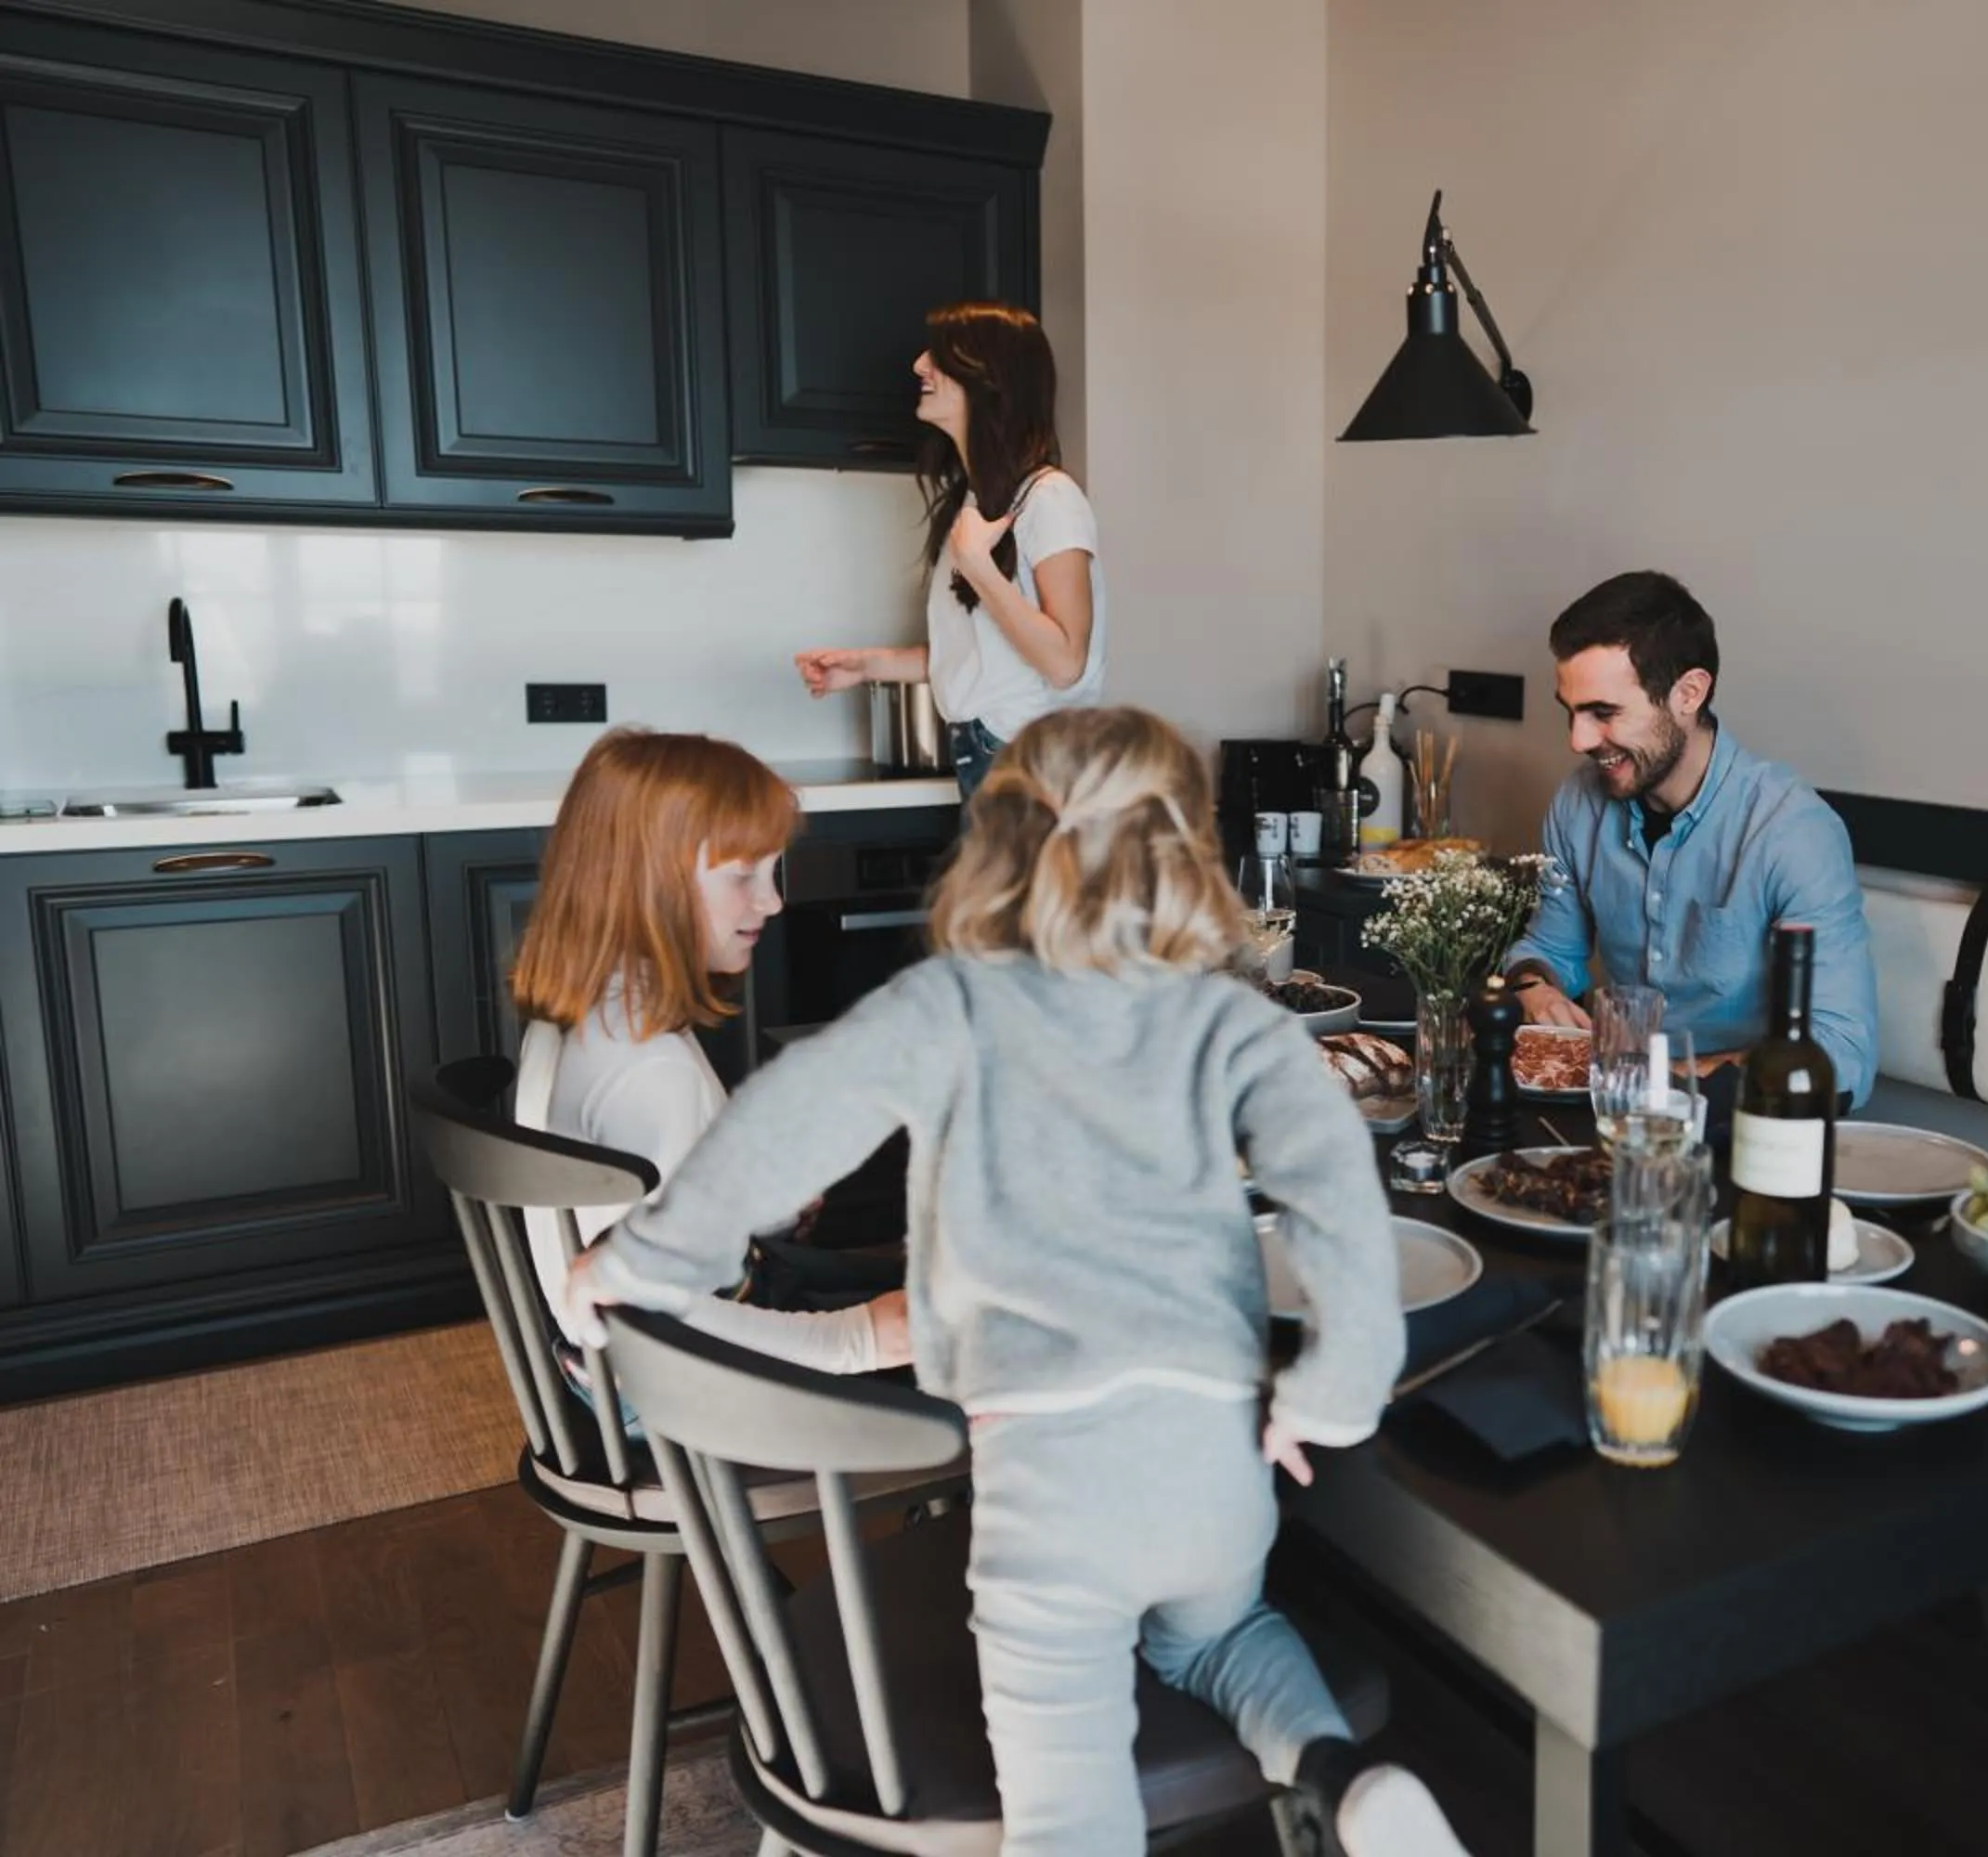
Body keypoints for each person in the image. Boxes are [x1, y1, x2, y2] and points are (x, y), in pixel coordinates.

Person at [558, 707, 1468, 1856]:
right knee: (1225, 1636)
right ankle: (1342, 1781)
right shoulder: (1232, 1022)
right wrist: (1333, 1389)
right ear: (1186, 856)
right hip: (1209, 1450)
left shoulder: (950, 1006)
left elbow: (781, 1130)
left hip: (1050, 1480)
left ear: (997, 849)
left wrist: (639, 1258)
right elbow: (1338, 1186)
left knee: (1065, 1796)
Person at [509, 729, 907, 1378]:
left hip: (652, 1357)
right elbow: (656, 1315)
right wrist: (854, 1340)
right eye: (744, 875)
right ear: (645, 882)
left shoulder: (605, 1014)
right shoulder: (651, 1071)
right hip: (688, 1387)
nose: (773, 901)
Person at [1503, 569, 1879, 1101]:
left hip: (1747, 1125)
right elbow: (1549, 948)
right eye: (1571, 712)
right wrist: (1536, 990)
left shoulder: (1792, 832)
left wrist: (1667, 1078)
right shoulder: (1577, 803)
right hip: (1612, 1108)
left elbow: (1842, 1054)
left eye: (1603, 713)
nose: (1578, 739)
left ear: (1689, 693)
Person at [792, 301, 1104, 799]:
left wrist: (979, 567)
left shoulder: (1050, 499)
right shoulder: (978, 502)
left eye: (940, 355)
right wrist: (868, 665)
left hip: (1035, 768)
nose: (919, 365)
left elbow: (1066, 662)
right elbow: (988, 655)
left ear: (989, 380)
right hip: (996, 756)